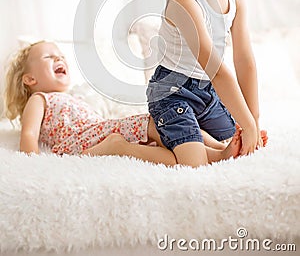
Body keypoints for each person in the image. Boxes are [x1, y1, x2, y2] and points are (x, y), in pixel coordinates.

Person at [146, 0, 267, 168]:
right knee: (195, 164)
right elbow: (215, 68)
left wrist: (253, 122)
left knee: (239, 145)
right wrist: (246, 125)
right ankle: (122, 146)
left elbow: (245, 60)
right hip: (172, 92)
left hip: (209, 93)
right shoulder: (183, 0)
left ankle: (170, 132)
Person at [4, 40, 242, 166]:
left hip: (95, 135)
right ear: (30, 79)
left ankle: (214, 149)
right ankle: (219, 153)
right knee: (157, 122)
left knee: (163, 137)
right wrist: (35, 168)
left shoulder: (73, 97)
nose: (59, 58)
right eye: (49, 57)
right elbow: (28, 135)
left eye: (61, 55)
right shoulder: (39, 99)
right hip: (78, 144)